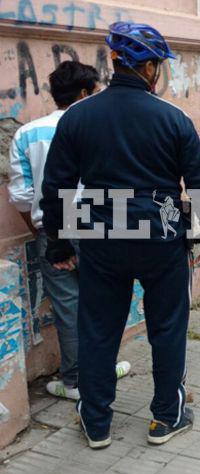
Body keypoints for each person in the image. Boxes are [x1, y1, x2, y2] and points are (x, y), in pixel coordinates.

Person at [40, 22, 200, 449]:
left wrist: (59, 243)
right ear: (152, 68)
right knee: (168, 327)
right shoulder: (173, 118)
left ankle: (97, 423)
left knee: (100, 330)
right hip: (160, 234)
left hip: (103, 236)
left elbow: (56, 186)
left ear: (116, 62)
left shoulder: (78, 116)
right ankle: (166, 418)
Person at [8, 61, 131, 401]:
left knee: (67, 305)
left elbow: (21, 196)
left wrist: (39, 230)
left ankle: (76, 381)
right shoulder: (104, 127)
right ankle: (105, 369)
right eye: (94, 91)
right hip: (102, 223)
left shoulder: (27, 134)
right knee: (105, 299)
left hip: (53, 226)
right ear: (83, 93)